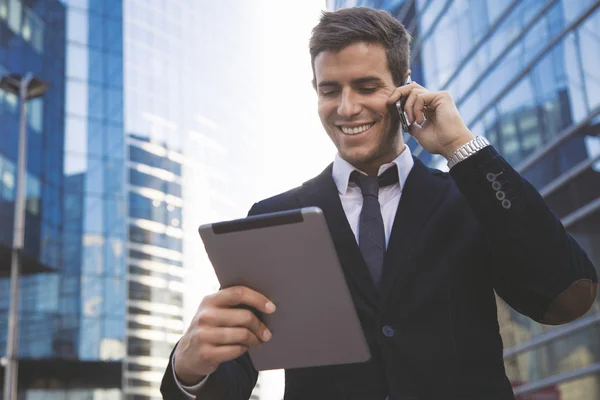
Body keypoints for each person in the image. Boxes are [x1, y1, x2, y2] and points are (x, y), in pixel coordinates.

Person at [161, 7, 598, 400]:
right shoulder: (272, 217)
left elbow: (566, 297)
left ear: (405, 88)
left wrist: (462, 147)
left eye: (367, 86)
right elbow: (235, 374)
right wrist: (189, 368)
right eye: (330, 90)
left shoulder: (470, 197)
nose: (347, 108)